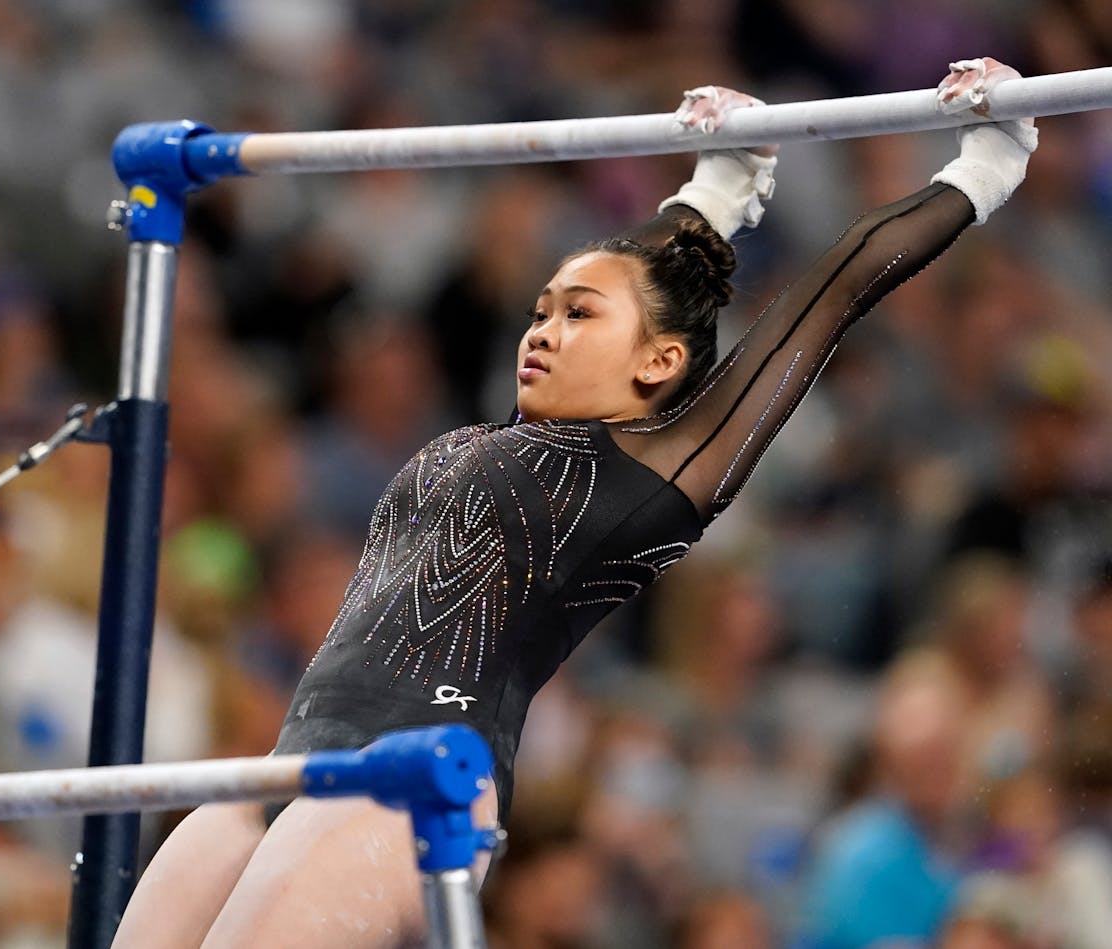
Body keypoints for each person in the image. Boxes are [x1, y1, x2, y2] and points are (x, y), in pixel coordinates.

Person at [115, 58, 1039, 948]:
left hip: (418, 784)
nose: (542, 331)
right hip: (291, 763)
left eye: (577, 317)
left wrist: (986, 161)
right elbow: (637, 278)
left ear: (660, 364)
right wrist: (720, 185)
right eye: (541, 309)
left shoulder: (658, 475)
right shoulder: (481, 443)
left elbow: (835, 287)